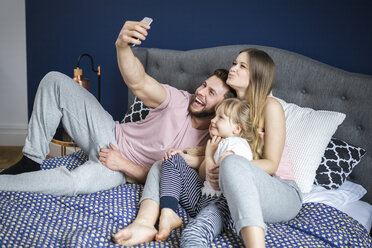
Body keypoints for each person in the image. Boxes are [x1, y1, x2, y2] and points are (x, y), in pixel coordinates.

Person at [0, 20, 235, 196]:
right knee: (54, 81)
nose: (201, 92)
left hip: (119, 170)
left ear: (223, 106)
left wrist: (123, 164)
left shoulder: (211, 144)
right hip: (109, 132)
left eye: (211, 93)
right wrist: (122, 46)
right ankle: (31, 160)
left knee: (74, 184)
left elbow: (168, 179)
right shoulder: (178, 99)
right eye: (204, 85)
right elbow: (138, 82)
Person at [113, 48, 302, 248]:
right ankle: (145, 223)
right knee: (165, 163)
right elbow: (211, 166)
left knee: (231, 163)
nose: (233, 68)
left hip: (277, 190)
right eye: (234, 63)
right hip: (225, 191)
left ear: (257, 74)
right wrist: (191, 159)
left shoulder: (270, 107)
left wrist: (228, 168)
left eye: (242, 66)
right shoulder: (226, 111)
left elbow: (271, 164)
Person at [157, 98, 254, 247]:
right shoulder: (217, 143)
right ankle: (169, 211)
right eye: (215, 115)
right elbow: (203, 176)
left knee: (192, 235)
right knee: (173, 159)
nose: (213, 120)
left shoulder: (238, 145)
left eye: (220, 117)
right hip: (202, 198)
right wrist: (190, 157)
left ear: (237, 129)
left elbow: (215, 180)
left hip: (223, 206)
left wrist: (209, 155)